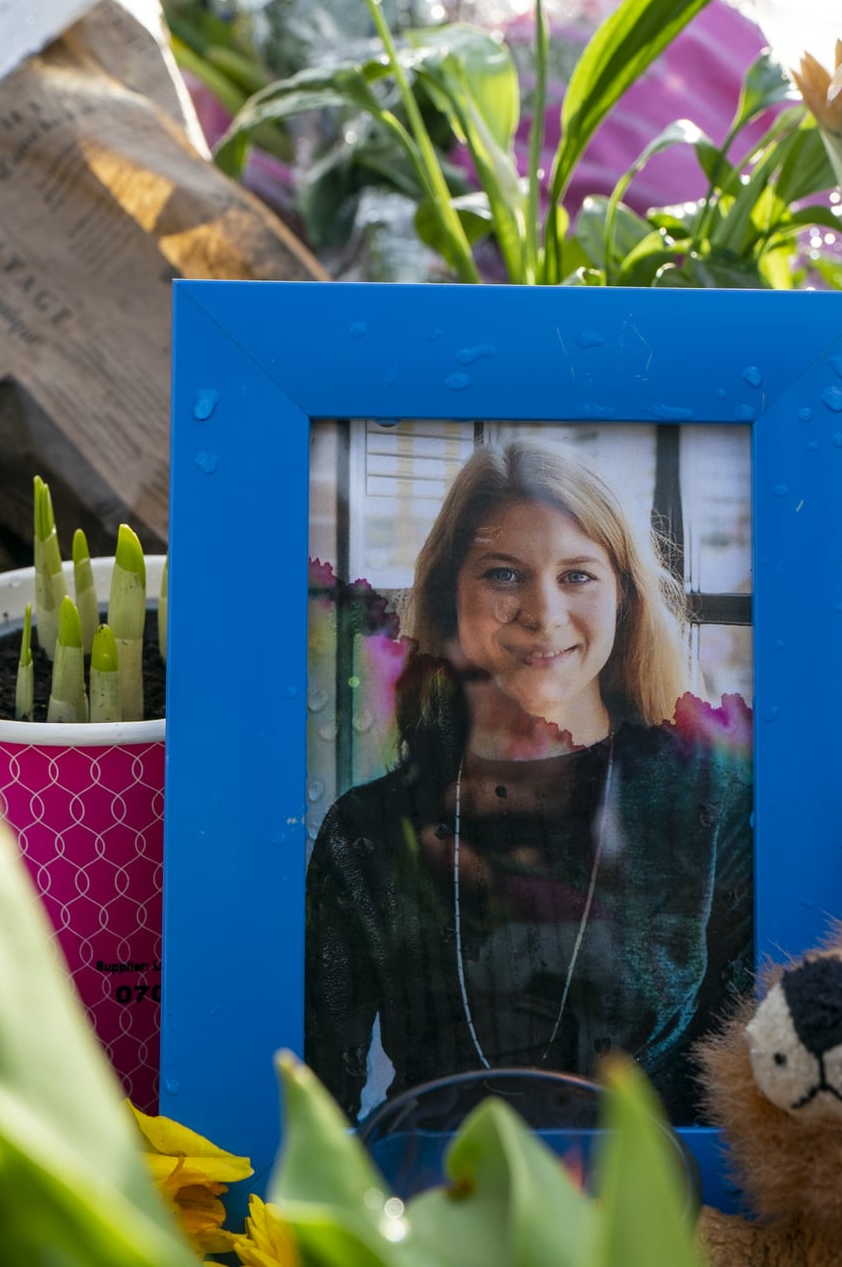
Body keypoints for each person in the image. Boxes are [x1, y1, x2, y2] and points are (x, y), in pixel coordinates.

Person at [305, 438, 754, 1125]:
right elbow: (313, 1121)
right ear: (449, 592)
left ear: (625, 599)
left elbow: (748, 1085)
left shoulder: (713, 801)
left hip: (666, 1213)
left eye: (577, 575)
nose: (544, 613)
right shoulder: (366, 830)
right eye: (504, 574)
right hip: (431, 1203)